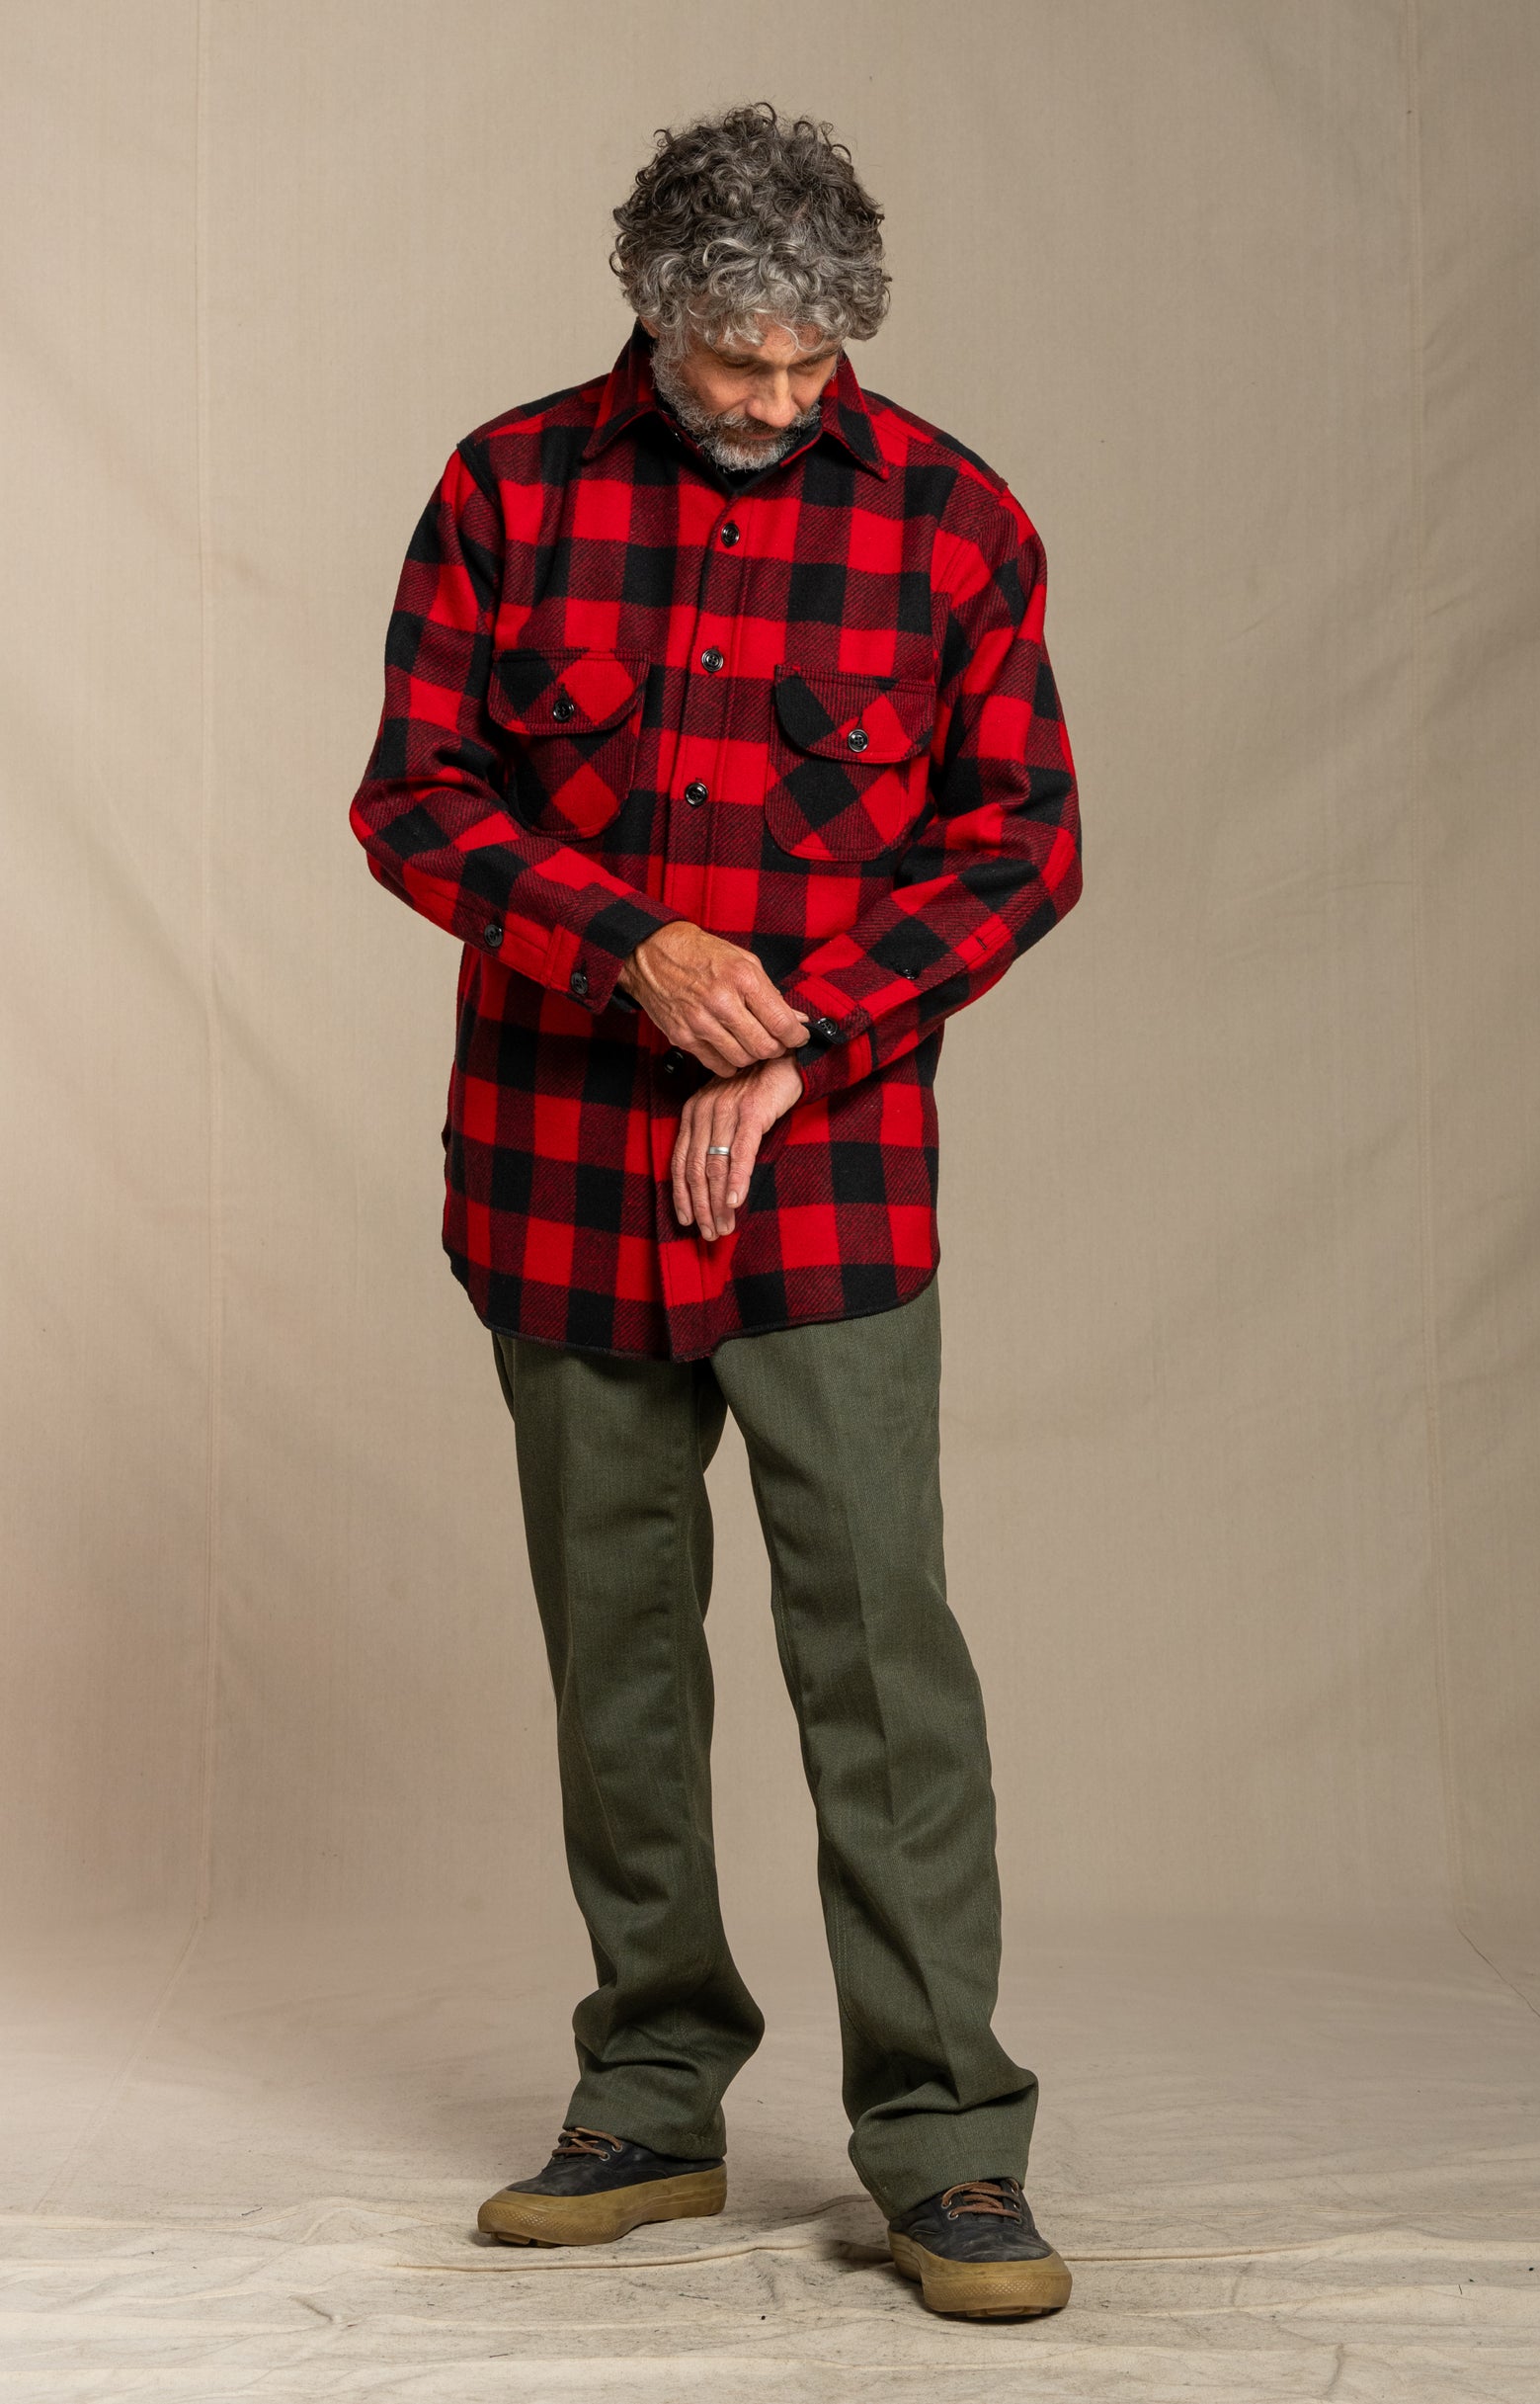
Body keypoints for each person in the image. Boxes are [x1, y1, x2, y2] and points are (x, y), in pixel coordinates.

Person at [347, 100, 1083, 2322]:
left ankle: (944, 2138)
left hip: (830, 1175)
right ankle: (651, 2094)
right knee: (619, 1663)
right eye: (734, 358)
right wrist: (628, 947)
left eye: (811, 364)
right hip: (565, 1171)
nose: (774, 400)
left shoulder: (952, 519)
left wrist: (799, 1032)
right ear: (649, 308)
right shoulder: (506, 489)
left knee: (881, 1658)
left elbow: (1021, 838)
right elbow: (415, 793)